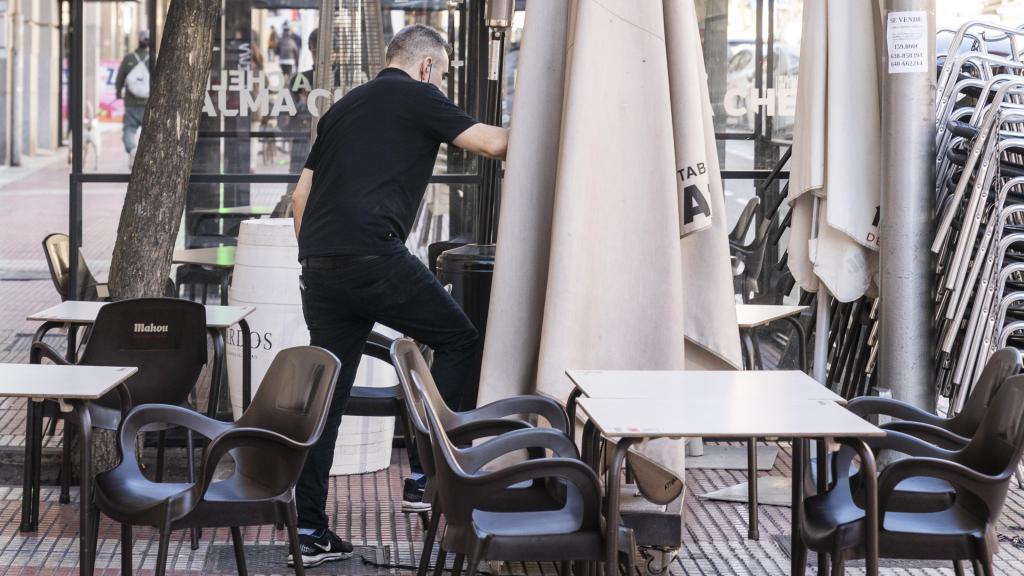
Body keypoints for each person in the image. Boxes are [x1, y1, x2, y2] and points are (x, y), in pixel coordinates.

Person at [289, 24, 508, 568]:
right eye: (445, 74)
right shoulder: (419, 96)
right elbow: (494, 144)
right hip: (374, 256)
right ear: (427, 66)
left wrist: (315, 260)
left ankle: (309, 529)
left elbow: (299, 198)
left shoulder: (341, 108)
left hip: (319, 266)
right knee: (459, 340)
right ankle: (424, 478)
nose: (444, 85)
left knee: (328, 396)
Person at [115, 30, 151, 168]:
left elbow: (119, 78)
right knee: (150, 133)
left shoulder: (129, 58)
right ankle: (146, 159)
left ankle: (132, 149)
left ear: (139, 41)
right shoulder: (153, 58)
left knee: (129, 130)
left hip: (131, 103)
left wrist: (118, 92)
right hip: (148, 104)